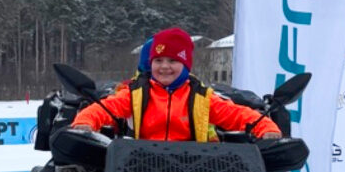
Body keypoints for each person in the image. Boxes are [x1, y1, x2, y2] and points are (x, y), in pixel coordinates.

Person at [71, 26, 282, 141]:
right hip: (140, 164)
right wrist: (85, 122)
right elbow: (105, 108)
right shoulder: (135, 93)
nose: (165, 67)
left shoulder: (200, 97)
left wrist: (266, 127)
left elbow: (237, 115)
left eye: (173, 61)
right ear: (150, 63)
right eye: (158, 61)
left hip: (193, 168)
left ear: (186, 64)